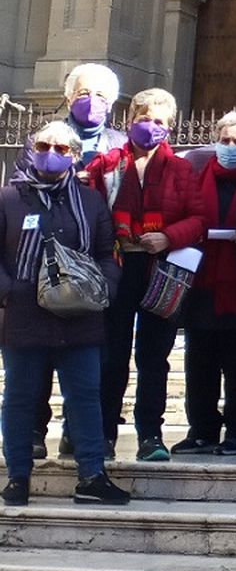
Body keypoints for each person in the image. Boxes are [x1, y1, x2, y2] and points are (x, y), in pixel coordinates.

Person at [0, 120, 129, 505]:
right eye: (44, 145)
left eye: (61, 149)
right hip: (25, 315)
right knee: (21, 397)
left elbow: (107, 252)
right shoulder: (9, 198)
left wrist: (104, 286)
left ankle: (92, 475)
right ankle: (18, 477)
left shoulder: (90, 201)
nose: (51, 154)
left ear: (74, 156)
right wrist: (10, 291)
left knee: (85, 396)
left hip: (80, 314)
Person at [84, 88, 205, 463]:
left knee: (155, 357)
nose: (150, 126)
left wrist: (167, 236)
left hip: (160, 268)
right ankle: (103, 433)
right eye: (144, 118)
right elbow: (89, 214)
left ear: (169, 128)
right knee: (111, 355)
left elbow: (198, 219)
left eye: (159, 121)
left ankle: (150, 435)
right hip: (116, 268)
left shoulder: (182, 169)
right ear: (129, 121)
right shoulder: (104, 166)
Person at [174, 111, 236, 457]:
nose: (229, 147)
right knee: (200, 362)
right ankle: (201, 429)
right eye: (225, 140)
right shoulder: (197, 175)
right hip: (201, 281)